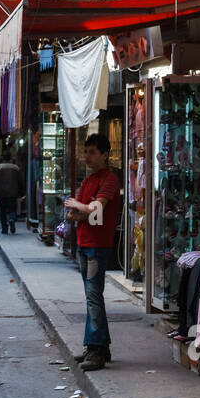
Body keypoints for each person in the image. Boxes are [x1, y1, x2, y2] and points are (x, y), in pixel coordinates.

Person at [64, 132, 121, 371]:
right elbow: (72, 214)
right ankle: (98, 346)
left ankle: (96, 350)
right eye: (85, 151)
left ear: (104, 155)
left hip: (98, 246)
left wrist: (81, 208)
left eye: (92, 152)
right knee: (92, 297)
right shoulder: (87, 182)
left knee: (93, 296)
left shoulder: (109, 180)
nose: (87, 156)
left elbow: (94, 210)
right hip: (83, 244)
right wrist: (83, 210)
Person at [0, 150, 23, 234]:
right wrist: (21, 191)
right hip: (13, 192)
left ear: (3, 158)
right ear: (10, 157)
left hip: (1, 193)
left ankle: (4, 228)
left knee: (2, 211)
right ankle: (12, 219)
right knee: (12, 208)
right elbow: (20, 181)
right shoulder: (16, 168)